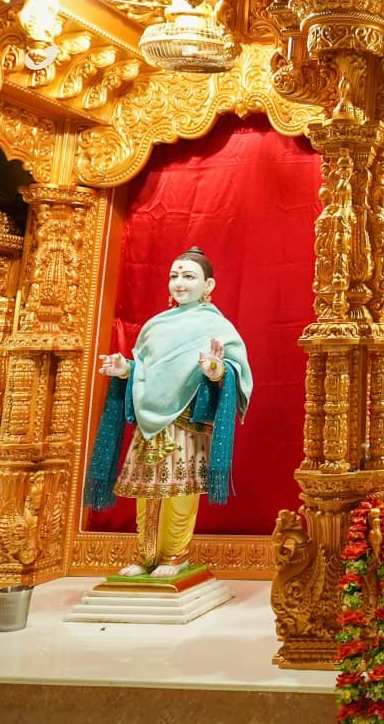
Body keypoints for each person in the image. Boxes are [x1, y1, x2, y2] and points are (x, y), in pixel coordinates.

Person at [84, 246, 253, 577]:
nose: (179, 283)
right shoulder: (155, 326)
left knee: (179, 491)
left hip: (185, 422)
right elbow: (148, 371)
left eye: (189, 277)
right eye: (174, 276)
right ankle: (145, 555)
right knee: (147, 493)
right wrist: (125, 370)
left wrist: (217, 370)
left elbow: (235, 370)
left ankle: (175, 555)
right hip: (150, 422)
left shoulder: (217, 326)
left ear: (209, 286)